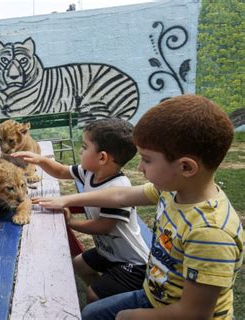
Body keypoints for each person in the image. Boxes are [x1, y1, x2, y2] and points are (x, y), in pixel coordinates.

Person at [35, 95, 243, 319]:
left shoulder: (210, 233)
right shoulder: (172, 190)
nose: (140, 168)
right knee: (92, 313)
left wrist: (133, 316)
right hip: (155, 295)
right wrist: (67, 200)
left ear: (185, 167)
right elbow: (121, 196)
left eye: (147, 160)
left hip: (177, 313)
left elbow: (194, 313)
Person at [12, 118, 150, 303]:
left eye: (84, 147)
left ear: (102, 157)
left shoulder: (118, 187)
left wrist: (70, 222)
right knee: (79, 264)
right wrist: (40, 159)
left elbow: (104, 226)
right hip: (108, 252)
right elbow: (61, 171)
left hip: (131, 262)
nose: (80, 151)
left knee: (92, 294)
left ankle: (104, 305)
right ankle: (109, 297)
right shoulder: (90, 172)